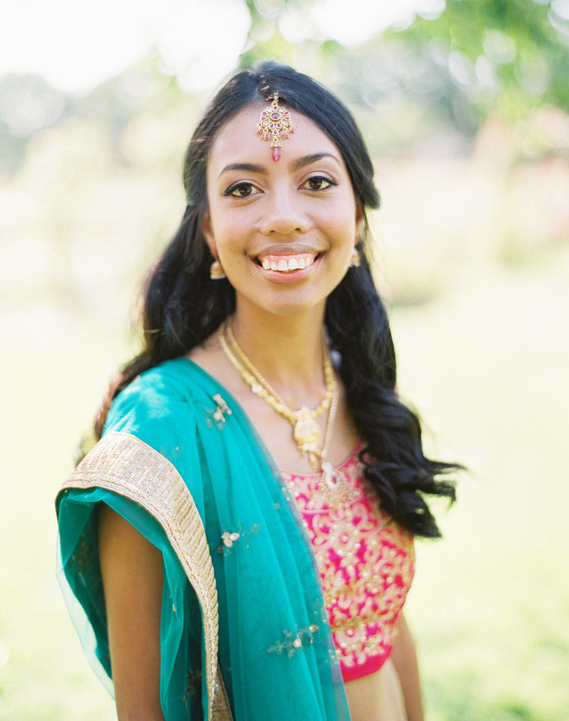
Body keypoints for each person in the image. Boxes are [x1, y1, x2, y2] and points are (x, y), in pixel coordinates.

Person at [56, 62, 459, 721]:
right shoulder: (158, 434)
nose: (284, 217)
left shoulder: (359, 388)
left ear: (357, 213)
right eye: (243, 189)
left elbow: (388, 629)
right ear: (209, 230)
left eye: (317, 182)